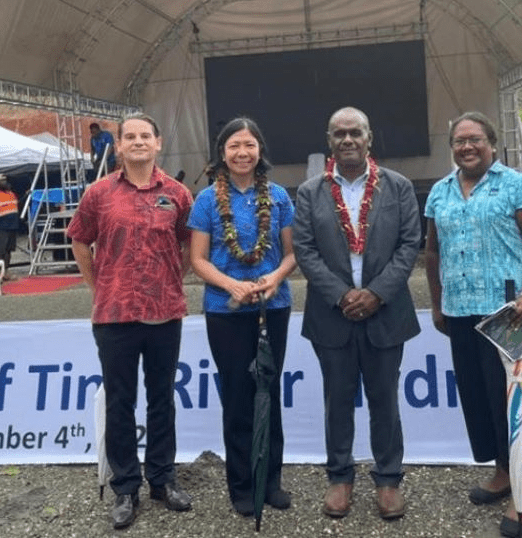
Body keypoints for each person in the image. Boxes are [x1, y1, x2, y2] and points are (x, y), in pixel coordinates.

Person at [424, 111, 522, 538]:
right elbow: (433, 254)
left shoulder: (513, 184)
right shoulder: (440, 192)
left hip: (509, 314)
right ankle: (501, 473)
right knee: (479, 400)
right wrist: (439, 307)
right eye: (459, 141)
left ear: (492, 144)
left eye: (475, 139)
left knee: (516, 404)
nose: (466, 147)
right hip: (461, 314)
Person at [292, 107, 421, 520]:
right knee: (337, 399)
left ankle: (387, 480)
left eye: (355, 133)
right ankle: (340, 477)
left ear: (369, 139)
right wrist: (344, 294)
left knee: (385, 400)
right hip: (332, 314)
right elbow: (305, 251)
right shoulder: (310, 191)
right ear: (329, 141)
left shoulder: (398, 187)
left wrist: (377, 294)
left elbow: (409, 245)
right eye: (339, 134)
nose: (348, 140)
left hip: (387, 312)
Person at [67, 113, 193, 529]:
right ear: (117, 146)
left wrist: (173, 277)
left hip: (164, 312)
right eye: (130, 137)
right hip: (114, 315)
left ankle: (162, 478)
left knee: (162, 399)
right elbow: (80, 239)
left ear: (158, 143)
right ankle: (125, 487)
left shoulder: (177, 194)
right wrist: (98, 285)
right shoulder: (98, 194)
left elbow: (190, 244)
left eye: (145, 136)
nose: (138, 142)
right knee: (120, 403)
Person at [187, 117, 296, 517]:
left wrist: (275, 276)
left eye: (249, 145)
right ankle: (242, 485)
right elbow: (197, 260)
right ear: (222, 152)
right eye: (234, 145)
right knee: (237, 397)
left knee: (269, 392)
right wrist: (231, 285)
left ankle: (271, 480)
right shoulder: (205, 200)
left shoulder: (280, 196)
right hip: (225, 312)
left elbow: (291, 253)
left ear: (260, 150)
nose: (242, 153)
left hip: (273, 307)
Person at [0, 175, 19, 282]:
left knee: (8, 251)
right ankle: (1, 273)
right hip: (2, 227)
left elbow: (16, 206)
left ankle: (5, 272)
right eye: (2, 181)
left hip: (12, 226)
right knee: (1, 251)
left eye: (5, 181)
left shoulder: (11, 194)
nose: (5, 183)